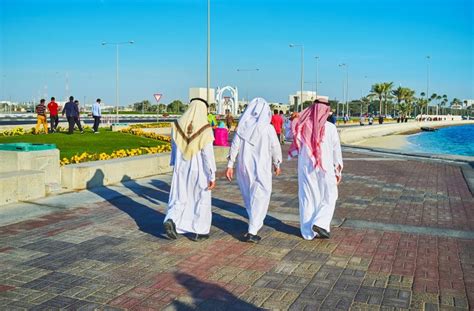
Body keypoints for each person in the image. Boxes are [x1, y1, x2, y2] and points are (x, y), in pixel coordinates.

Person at [225, 98, 282, 243]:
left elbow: (235, 146)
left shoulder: (243, 126)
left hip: (244, 167)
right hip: (261, 168)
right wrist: (277, 163)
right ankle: (252, 230)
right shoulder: (268, 128)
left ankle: (253, 222)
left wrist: (230, 164)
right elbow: (275, 147)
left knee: (249, 196)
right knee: (261, 196)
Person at [289, 98, 343, 240]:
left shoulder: (301, 125)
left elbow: (290, 136)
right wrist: (338, 169)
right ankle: (320, 223)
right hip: (325, 169)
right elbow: (336, 150)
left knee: (308, 197)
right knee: (330, 195)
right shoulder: (331, 127)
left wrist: (293, 120)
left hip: (306, 168)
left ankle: (308, 233)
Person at [164, 98, 217, 242]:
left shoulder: (177, 125)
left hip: (181, 167)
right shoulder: (205, 129)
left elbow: (174, 148)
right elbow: (207, 155)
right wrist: (212, 174)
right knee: (201, 197)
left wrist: (175, 163)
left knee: (179, 196)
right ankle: (200, 231)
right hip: (198, 169)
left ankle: (172, 219)